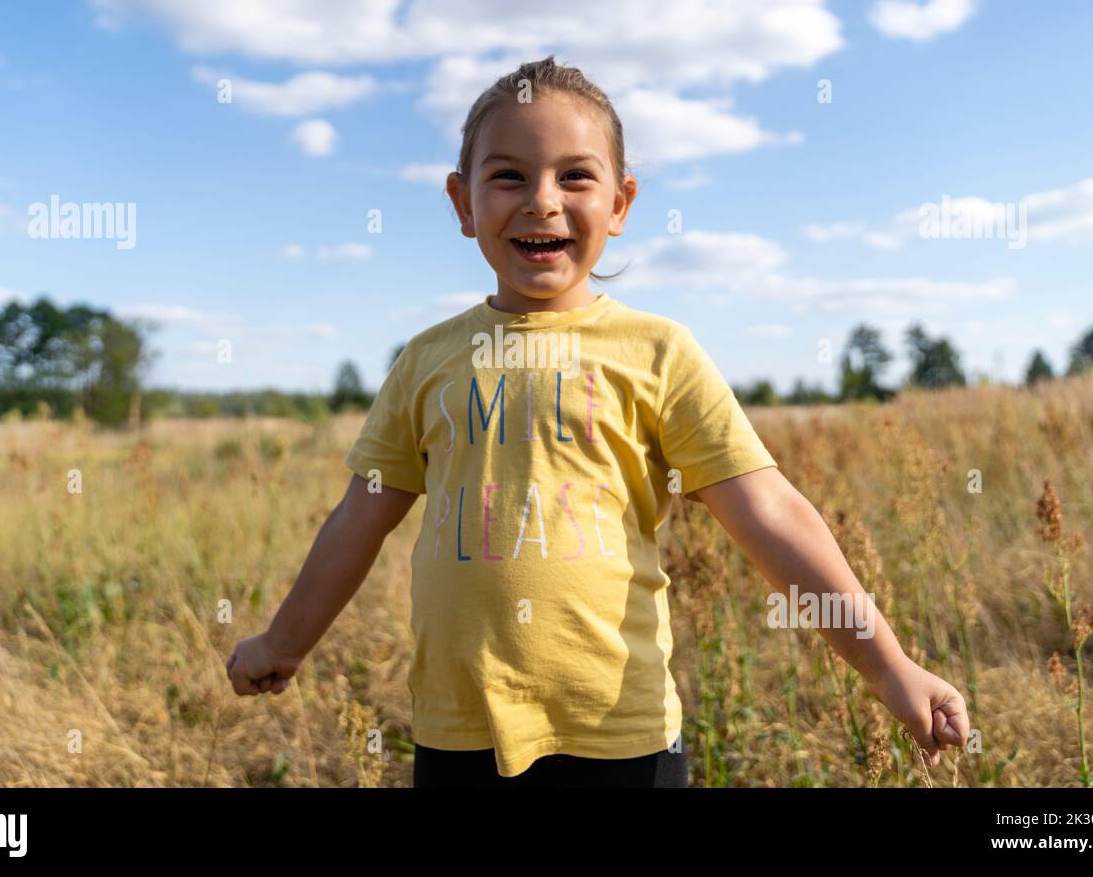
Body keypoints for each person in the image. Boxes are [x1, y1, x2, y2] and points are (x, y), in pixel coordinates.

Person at [226, 55, 969, 788]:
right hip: (459, 733)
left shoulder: (659, 353)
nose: (542, 200)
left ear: (620, 204)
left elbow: (771, 514)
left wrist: (888, 665)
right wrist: (284, 641)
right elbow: (360, 517)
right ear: (462, 203)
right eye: (508, 175)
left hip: (622, 738)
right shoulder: (426, 363)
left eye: (575, 176)